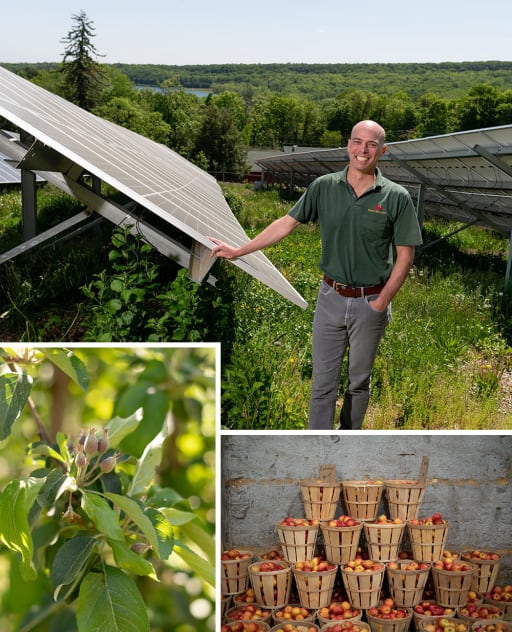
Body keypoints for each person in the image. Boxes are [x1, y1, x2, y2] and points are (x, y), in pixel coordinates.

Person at [209, 120, 423, 430]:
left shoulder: (396, 196)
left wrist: (381, 302)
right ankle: (317, 446)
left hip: (370, 301)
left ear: (383, 151)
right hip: (330, 298)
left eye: (371, 144)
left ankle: (348, 440)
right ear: (348, 145)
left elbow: (406, 256)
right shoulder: (324, 186)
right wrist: (239, 250)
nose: (363, 150)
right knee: (322, 384)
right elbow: (287, 223)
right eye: (357, 141)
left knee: (358, 382)